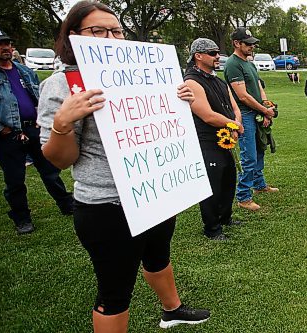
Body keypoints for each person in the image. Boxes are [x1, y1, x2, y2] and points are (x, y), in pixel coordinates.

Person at [36, 1, 210, 331]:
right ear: (74, 36)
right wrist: (62, 122)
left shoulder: (143, 76)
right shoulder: (64, 85)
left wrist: (180, 100)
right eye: (97, 31)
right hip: (107, 206)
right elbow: (59, 159)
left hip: (155, 190)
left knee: (158, 256)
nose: (111, 38)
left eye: (116, 30)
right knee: (115, 291)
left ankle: (171, 309)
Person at [0, 27, 73, 235]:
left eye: (7, 43)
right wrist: (0, 129)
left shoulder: (23, 71)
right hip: (8, 135)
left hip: (33, 129)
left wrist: (40, 118)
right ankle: (22, 218)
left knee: (51, 172)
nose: (6, 47)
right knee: (15, 179)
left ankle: (66, 204)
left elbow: (39, 96)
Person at [184, 38, 244, 240]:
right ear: (197, 56)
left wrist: (235, 124)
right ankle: (212, 228)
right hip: (207, 140)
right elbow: (207, 115)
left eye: (217, 52)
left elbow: (234, 106)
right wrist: (233, 125)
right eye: (211, 53)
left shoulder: (217, 79)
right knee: (212, 185)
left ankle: (225, 217)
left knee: (229, 178)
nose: (217, 56)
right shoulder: (191, 81)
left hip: (225, 137)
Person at [224, 27, 278, 212]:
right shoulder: (233, 64)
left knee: (260, 149)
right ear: (236, 43)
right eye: (248, 44)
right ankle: (244, 196)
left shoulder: (249, 63)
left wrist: (265, 108)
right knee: (249, 156)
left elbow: (258, 87)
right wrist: (264, 110)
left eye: (252, 43)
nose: (252, 47)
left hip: (256, 112)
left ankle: (259, 184)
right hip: (245, 114)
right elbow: (243, 96)